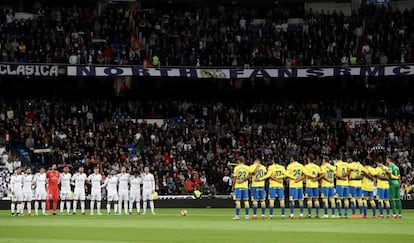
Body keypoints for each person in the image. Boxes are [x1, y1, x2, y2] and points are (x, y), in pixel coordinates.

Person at [286, 155, 305, 219]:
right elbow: (304, 175)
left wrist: (293, 178)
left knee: (292, 200)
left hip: (293, 185)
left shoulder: (290, 166)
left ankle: (292, 215)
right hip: (300, 185)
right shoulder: (301, 165)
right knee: (301, 200)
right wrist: (299, 179)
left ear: (292, 158)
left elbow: (287, 174)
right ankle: (301, 214)